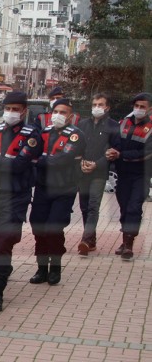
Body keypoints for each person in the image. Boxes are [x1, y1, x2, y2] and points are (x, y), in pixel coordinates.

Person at [0, 91, 42, 312]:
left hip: (15, 196)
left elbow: (19, 166)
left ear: (24, 111)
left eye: (16, 109)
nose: (11, 113)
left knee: (3, 242)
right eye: (8, 108)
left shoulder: (32, 135)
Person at [29, 98, 86, 285]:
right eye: (56, 112)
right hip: (42, 187)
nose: (58, 116)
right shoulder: (44, 133)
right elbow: (32, 153)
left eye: (63, 112)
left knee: (53, 228)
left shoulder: (75, 135)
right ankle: (41, 268)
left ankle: (55, 267)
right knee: (38, 225)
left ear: (71, 116)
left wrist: (39, 161)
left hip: (64, 189)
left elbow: (63, 159)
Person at [107, 92, 152, 260]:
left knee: (134, 208)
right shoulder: (123, 123)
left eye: (143, 107)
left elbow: (146, 153)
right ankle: (125, 239)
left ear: (149, 109)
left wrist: (121, 154)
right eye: (137, 106)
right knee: (125, 208)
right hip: (123, 174)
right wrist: (113, 152)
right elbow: (114, 143)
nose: (139, 109)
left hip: (141, 174)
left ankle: (129, 244)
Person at [76, 93, 120, 256]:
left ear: (107, 107)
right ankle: (91, 240)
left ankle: (86, 239)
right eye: (94, 104)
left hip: (100, 173)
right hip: (83, 171)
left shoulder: (113, 126)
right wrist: (80, 162)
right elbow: (76, 146)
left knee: (93, 205)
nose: (97, 107)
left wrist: (98, 164)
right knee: (84, 206)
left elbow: (113, 151)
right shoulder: (83, 124)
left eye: (100, 104)